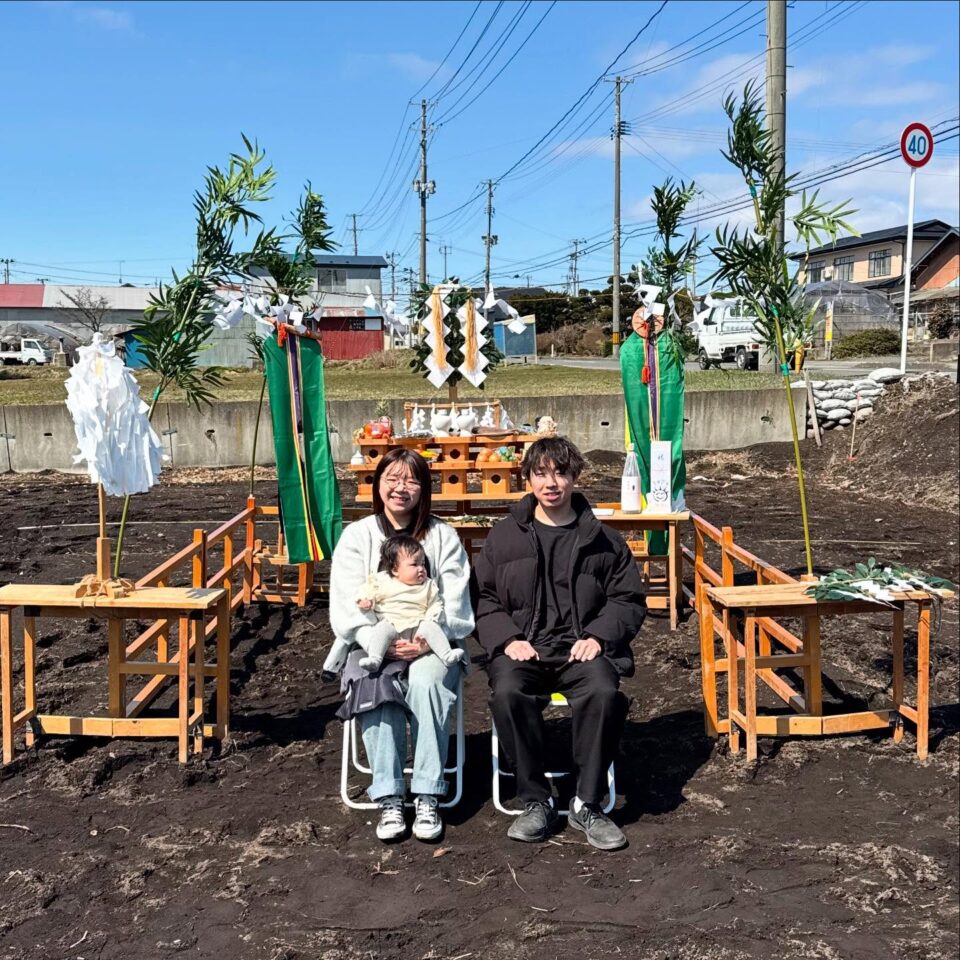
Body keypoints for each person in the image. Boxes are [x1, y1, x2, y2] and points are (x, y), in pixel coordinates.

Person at [472, 436, 645, 851]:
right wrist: (507, 638)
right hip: (524, 648)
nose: (552, 483)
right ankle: (536, 801)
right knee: (509, 692)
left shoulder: (604, 539)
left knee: (604, 691)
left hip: (579, 649)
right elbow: (483, 597)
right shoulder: (504, 537)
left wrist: (599, 637)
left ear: (575, 477)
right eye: (541, 473)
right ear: (528, 478)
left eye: (561, 473)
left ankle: (588, 803)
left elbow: (628, 599)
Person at [327, 448, 473, 843]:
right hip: (373, 643)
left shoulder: (443, 537)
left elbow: (456, 599)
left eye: (411, 480)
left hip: (432, 641)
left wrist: (425, 640)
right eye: (392, 478)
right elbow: (346, 603)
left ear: (424, 488)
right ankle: (390, 794)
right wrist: (379, 641)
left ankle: (427, 792)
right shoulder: (357, 536)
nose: (400, 488)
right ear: (378, 484)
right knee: (374, 683)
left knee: (427, 682)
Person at [354, 534, 466, 672]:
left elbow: (435, 605)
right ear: (395, 569)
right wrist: (365, 600)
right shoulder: (381, 581)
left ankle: (446, 655)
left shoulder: (428, 585)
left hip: (418, 627)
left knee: (432, 628)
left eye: (423, 564)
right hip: (391, 624)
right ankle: (375, 659)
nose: (421, 568)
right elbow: (366, 591)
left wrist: (431, 619)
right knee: (381, 630)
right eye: (414, 564)